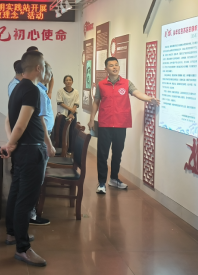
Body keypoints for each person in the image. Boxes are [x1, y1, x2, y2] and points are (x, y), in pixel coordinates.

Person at [0, 51, 56, 267]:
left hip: (24, 151)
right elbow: (21, 125)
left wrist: (11, 143)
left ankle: (12, 234)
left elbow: (10, 121)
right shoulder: (32, 89)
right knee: (25, 200)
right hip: (31, 152)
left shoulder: (16, 87)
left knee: (16, 194)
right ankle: (22, 248)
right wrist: (11, 144)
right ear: (38, 68)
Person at [88, 57, 160, 194]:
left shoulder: (126, 83)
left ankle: (114, 179)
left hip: (121, 124)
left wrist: (149, 99)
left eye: (116, 65)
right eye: (111, 65)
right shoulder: (101, 84)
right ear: (106, 69)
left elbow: (137, 93)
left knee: (117, 153)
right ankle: (102, 183)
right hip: (105, 123)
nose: (114, 67)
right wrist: (92, 119)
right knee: (102, 154)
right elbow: (96, 102)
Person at [28, 63, 54, 226]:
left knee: (38, 177)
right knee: (37, 178)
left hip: (42, 137)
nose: (51, 76)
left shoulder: (40, 90)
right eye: (49, 72)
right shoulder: (39, 92)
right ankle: (31, 214)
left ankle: (31, 211)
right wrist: (49, 143)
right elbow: (41, 120)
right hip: (42, 138)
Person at [56, 75, 80, 152]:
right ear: (64, 82)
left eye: (70, 80)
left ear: (72, 82)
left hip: (73, 114)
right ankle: (61, 150)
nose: (68, 81)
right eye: (66, 80)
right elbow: (60, 102)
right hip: (63, 114)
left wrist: (72, 112)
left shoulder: (76, 92)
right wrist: (70, 109)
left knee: (72, 132)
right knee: (62, 132)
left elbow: (76, 103)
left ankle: (70, 151)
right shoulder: (60, 91)